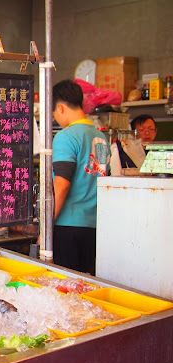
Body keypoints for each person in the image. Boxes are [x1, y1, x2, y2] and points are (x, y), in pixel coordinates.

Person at [51, 79, 110, 275]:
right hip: (95, 227)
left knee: (67, 289)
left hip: (68, 226)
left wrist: (47, 224)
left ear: (60, 108)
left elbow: (61, 184)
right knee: (87, 286)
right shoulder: (101, 137)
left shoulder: (66, 137)